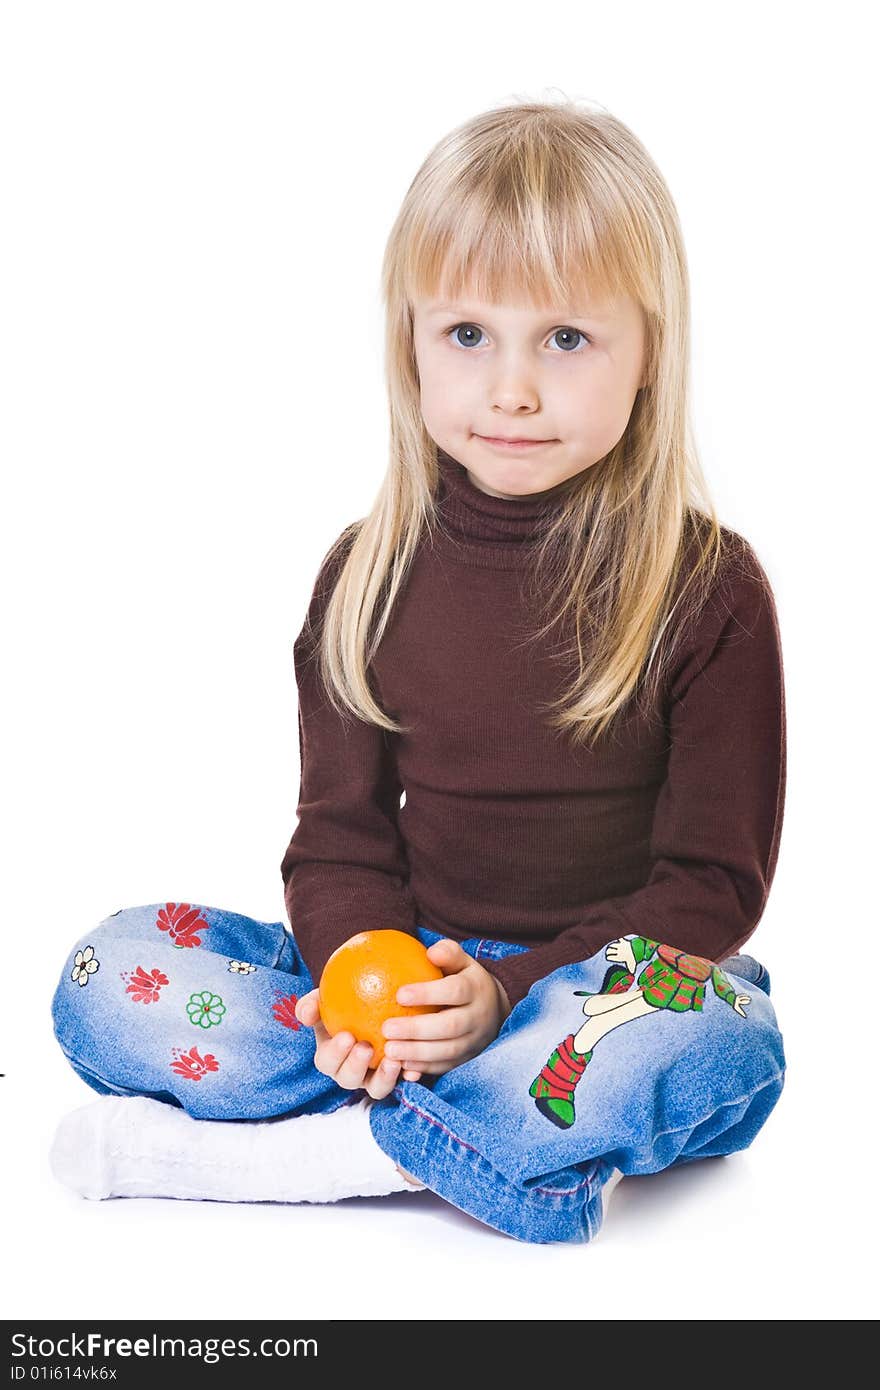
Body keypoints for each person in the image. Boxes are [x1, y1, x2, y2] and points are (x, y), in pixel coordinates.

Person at [49, 96, 787, 1245]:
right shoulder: (368, 570)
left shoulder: (706, 587)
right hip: (403, 978)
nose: (511, 389)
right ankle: (473, 1135)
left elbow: (708, 888)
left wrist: (508, 994)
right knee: (108, 970)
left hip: (584, 998)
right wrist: (360, 981)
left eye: (566, 338)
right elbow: (339, 841)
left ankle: (322, 1156)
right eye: (467, 335)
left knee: (712, 1043)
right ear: (410, 341)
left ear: (651, 352)